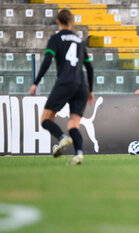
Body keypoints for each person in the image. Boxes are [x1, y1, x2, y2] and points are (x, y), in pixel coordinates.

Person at [29, 9, 94, 165]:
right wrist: (90, 90)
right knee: (73, 124)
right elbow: (90, 68)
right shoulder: (79, 40)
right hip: (83, 85)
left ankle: (63, 138)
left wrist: (36, 82)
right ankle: (78, 154)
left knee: (45, 119)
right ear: (71, 22)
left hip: (66, 82)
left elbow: (47, 61)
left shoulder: (55, 39)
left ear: (58, 21)